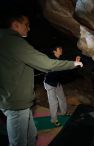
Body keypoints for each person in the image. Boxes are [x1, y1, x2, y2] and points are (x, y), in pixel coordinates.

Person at [0, 12, 83, 146]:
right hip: (17, 102)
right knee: (18, 142)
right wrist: (73, 64)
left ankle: (61, 114)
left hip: (13, 99)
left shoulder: (3, 40)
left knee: (32, 135)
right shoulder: (14, 42)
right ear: (15, 25)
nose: (29, 28)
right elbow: (49, 65)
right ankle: (54, 118)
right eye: (26, 25)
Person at [44, 46, 81, 127]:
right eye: (59, 49)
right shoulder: (51, 60)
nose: (61, 50)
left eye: (61, 48)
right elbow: (61, 66)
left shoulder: (59, 59)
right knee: (53, 102)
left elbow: (65, 66)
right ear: (54, 51)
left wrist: (75, 63)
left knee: (62, 98)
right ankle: (53, 120)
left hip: (57, 83)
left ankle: (64, 113)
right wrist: (73, 64)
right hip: (49, 84)